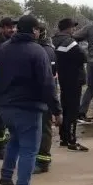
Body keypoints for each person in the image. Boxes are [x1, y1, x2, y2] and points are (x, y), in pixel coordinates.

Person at [0, 15, 60, 185]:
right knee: (30, 149)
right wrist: (56, 110)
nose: (39, 32)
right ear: (33, 30)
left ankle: (6, 179)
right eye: (38, 29)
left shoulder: (3, 48)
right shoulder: (37, 51)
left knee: (14, 141)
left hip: (5, 105)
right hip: (28, 107)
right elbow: (48, 84)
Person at [52, 18, 88, 151]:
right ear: (67, 28)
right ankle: (72, 140)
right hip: (74, 79)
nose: (74, 30)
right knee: (72, 110)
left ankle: (63, 138)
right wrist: (84, 46)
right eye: (73, 27)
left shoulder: (54, 40)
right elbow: (83, 57)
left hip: (63, 78)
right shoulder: (70, 42)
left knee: (65, 108)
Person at [0, 17, 16, 160]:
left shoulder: (15, 42)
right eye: (8, 27)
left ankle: (7, 144)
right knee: (0, 116)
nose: (12, 30)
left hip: (13, 85)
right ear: (2, 28)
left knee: (11, 116)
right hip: (0, 85)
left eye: (13, 27)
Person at [34, 25, 58, 174]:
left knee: (43, 129)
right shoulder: (47, 49)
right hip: (42, 95)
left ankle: (42, 161)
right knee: (42, 129)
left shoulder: (43, 51)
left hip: (42, 96)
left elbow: (49, 79)